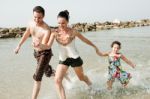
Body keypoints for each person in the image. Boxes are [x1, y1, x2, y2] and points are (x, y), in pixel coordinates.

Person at [33, 10, 100, 99]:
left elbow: (85, 40)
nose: (61, 25)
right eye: (59, 23)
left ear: (67, 22)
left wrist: (95, 47)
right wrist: (40, 45)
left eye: (63, 23)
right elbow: (48, 46)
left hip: (75, 59)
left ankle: (90, 84)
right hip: (63, 60)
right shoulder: (55, 33)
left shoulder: (73, 32)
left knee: (81, 78)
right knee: (57, 80)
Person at [14, 6, 55, 99]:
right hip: (36, 53)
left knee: (37, 77)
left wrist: (39, 44)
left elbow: (45, 46)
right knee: (47, 72)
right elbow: (26, 34)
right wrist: (19, 45)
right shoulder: (31, 23)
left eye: (39, 17)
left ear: (43, 16)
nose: (37, 19)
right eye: (35, 17)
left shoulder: (46, 29)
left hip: (45, 53)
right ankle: (63, 76)